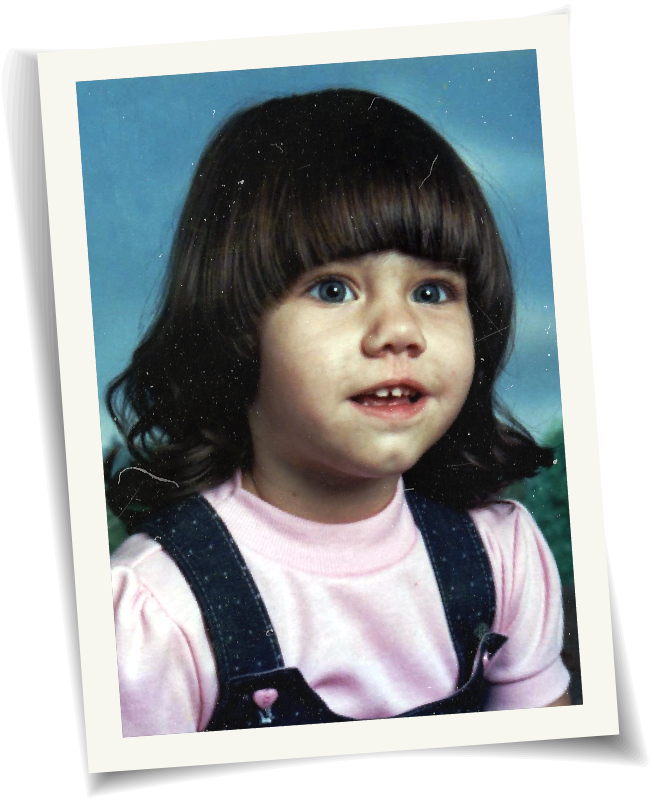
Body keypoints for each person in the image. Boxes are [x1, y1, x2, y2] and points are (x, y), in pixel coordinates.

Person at [107, 88, 571, 737]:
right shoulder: (158, 610)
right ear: (234, 329)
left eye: (432, 291)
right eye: (333, 289)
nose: (398, 330)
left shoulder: (503, 553)